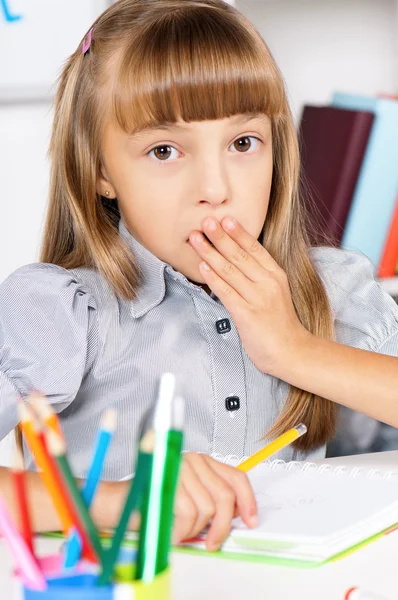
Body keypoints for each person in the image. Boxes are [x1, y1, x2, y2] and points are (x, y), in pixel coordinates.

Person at [1, 0, 398, 551]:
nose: (216, 187)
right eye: (164, 150)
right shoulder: (63, 311)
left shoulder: (331, 289)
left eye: (242, 143)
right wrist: (123, 501)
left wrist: (294, 350)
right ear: (100, 171)